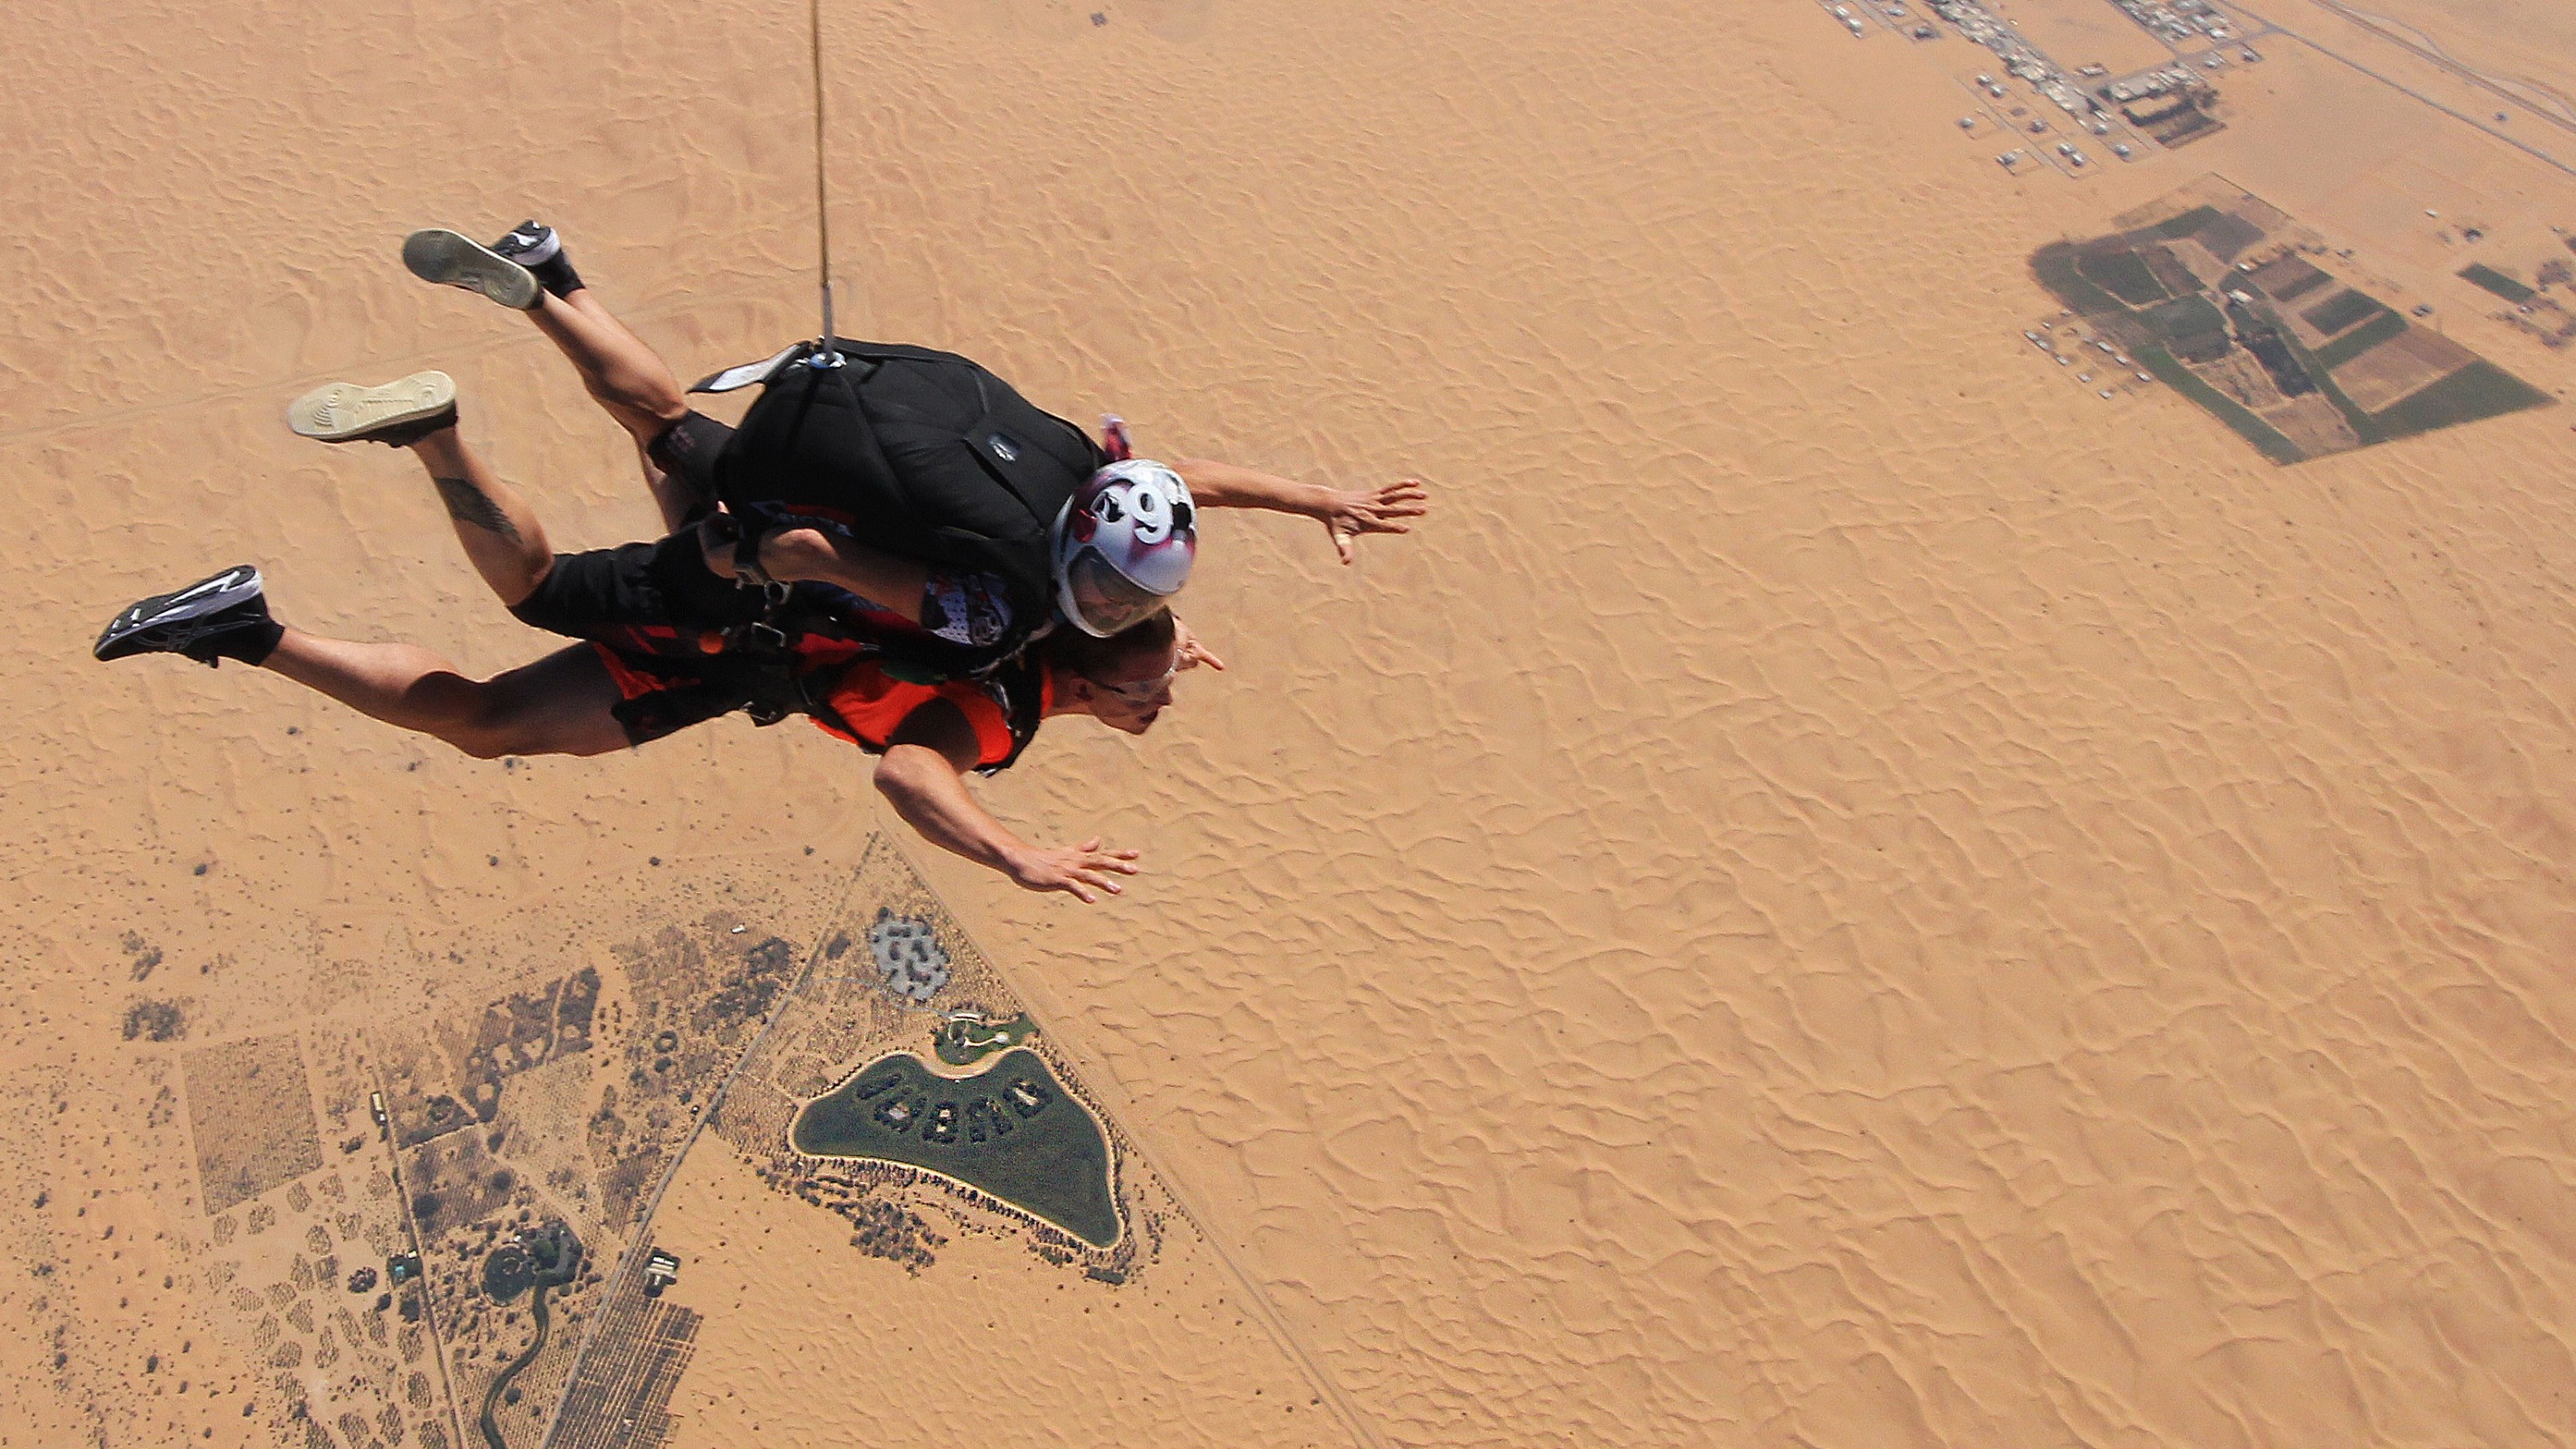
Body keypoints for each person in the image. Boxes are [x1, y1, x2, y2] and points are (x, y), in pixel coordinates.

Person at [92, 379, 1213, 903]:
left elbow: (1124, 571)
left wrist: (1164, 646)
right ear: (1082, 674)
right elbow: (911, 769)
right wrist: (1012, 851)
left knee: (670, 426)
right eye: (1143, 697)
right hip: (714, 647)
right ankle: (418, 461)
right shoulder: (992, 708)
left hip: (789, 543)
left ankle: (547, 281)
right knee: (493, 700)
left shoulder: (1039, 597)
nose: (1155, 707)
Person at [400, 222, 1428, 663]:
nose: (1111, 611)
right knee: (658, 433)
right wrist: (735, 556)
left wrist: (1313, 498)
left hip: (850, 392)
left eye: (1132, 605)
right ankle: (513, 334)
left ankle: (550, 279)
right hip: (789, 484)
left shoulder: (1092, 476)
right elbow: (816, 555)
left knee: (665, 420)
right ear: (1078, 552)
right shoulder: (991, 613)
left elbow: (1184, 478)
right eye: (1114, 592)